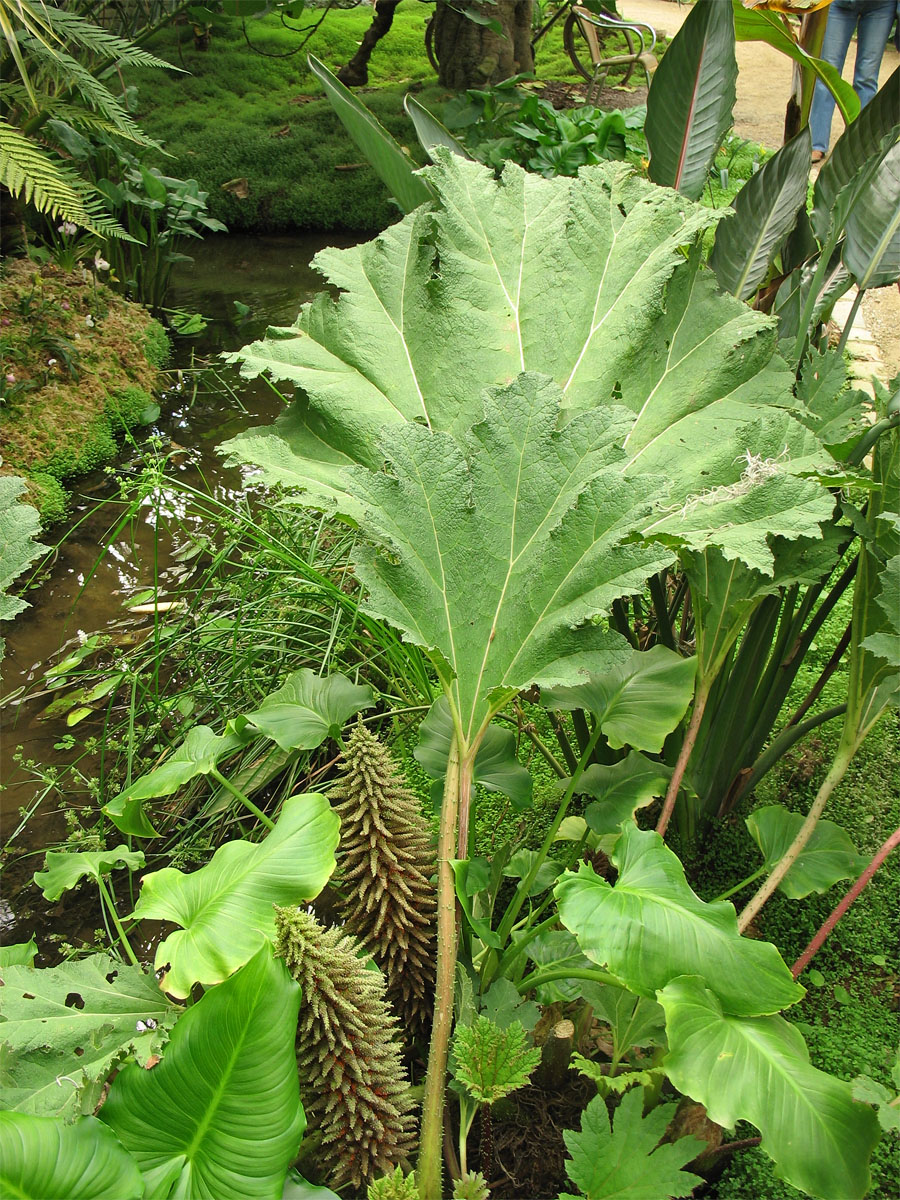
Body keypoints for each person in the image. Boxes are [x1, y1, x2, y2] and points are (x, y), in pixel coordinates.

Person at [809, 0, 897, 162]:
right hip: (839, 4)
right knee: (828, 73)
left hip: (881, 6)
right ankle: (816, 142)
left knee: (867, 77)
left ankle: (857, 145)